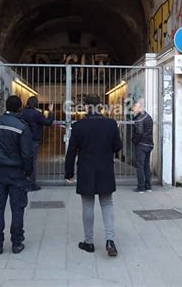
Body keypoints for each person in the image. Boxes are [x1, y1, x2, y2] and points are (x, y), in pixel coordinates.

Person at [65, 94, 123, 257]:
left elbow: (71, 152)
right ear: (100, 106)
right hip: (105, 169)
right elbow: (117, 147)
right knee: (107, 204)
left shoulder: (78, 126)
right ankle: (110, 240)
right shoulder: (111, 124)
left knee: (87, 205)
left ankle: (89, 242)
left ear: (85, 107)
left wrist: (69, 173)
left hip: (86, 170)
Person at [0, 95, 34, 255]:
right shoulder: (22, 127)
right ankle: (17, 243)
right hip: (16, 172)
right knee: (17, 207)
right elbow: (26, 154)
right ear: (19, 109)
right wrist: (28, 171)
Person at [21, 96, 55, 191]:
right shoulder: (36, 113)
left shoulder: (22, 112)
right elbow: (48, 122)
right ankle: (31, 184)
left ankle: (22, 182)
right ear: (36, 103)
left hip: (23, 139)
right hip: (33, 139)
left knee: (23, 159)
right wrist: (51, 112)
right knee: (32, 161)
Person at [132, 100, 154, 193]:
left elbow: (139, 132)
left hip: (141, 144)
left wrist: (134, 140)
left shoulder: (139, 118)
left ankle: (141, 187)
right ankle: (148, 186)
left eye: (135, 106)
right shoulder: (148, 116)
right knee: (146, 165)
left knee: (140, 166)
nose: (133, 108)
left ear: (141, 108)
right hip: (149, 144)